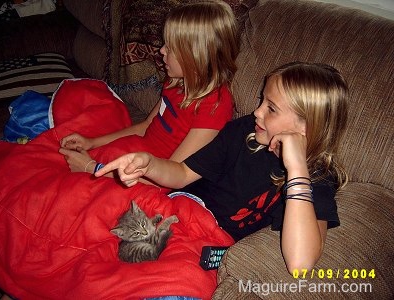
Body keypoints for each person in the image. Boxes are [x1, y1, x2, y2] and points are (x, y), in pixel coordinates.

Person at [95, 61, 349, 273]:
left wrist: (296, 169)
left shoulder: (317, 177)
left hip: (204, 245)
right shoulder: (244, 131)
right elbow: (182, 174)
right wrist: (149, 164)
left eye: (271, 108)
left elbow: (300, 263)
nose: (257, 111)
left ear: (306, 127)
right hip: (178, 212)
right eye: (262, 100)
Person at [59, 0, 239, 174]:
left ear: (196, 56)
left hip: (153, 178)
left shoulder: (215, 105)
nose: (161, 50)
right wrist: (92, 143)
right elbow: (146, 125)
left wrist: (91, 168)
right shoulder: (176, 82)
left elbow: (174, 173)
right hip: (137, 158)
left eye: (170, 47)